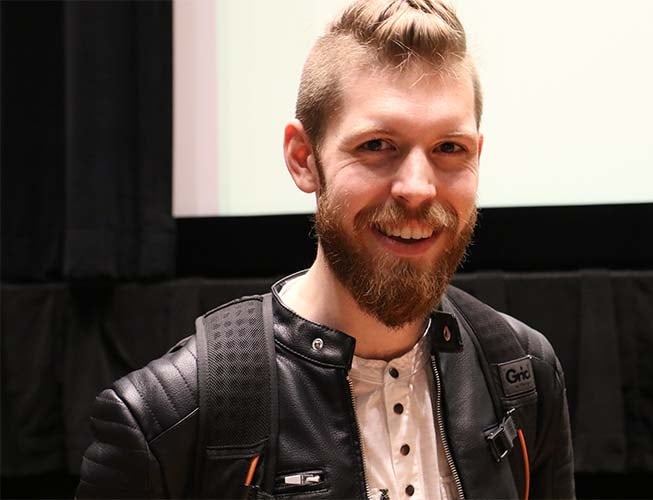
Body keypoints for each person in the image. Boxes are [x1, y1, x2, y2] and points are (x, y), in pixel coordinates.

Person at [76, 0, 575, 498]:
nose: (418, 189)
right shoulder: (165, 420)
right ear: (303, 159)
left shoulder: (524, 372)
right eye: (377, 145)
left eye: (449, 148)